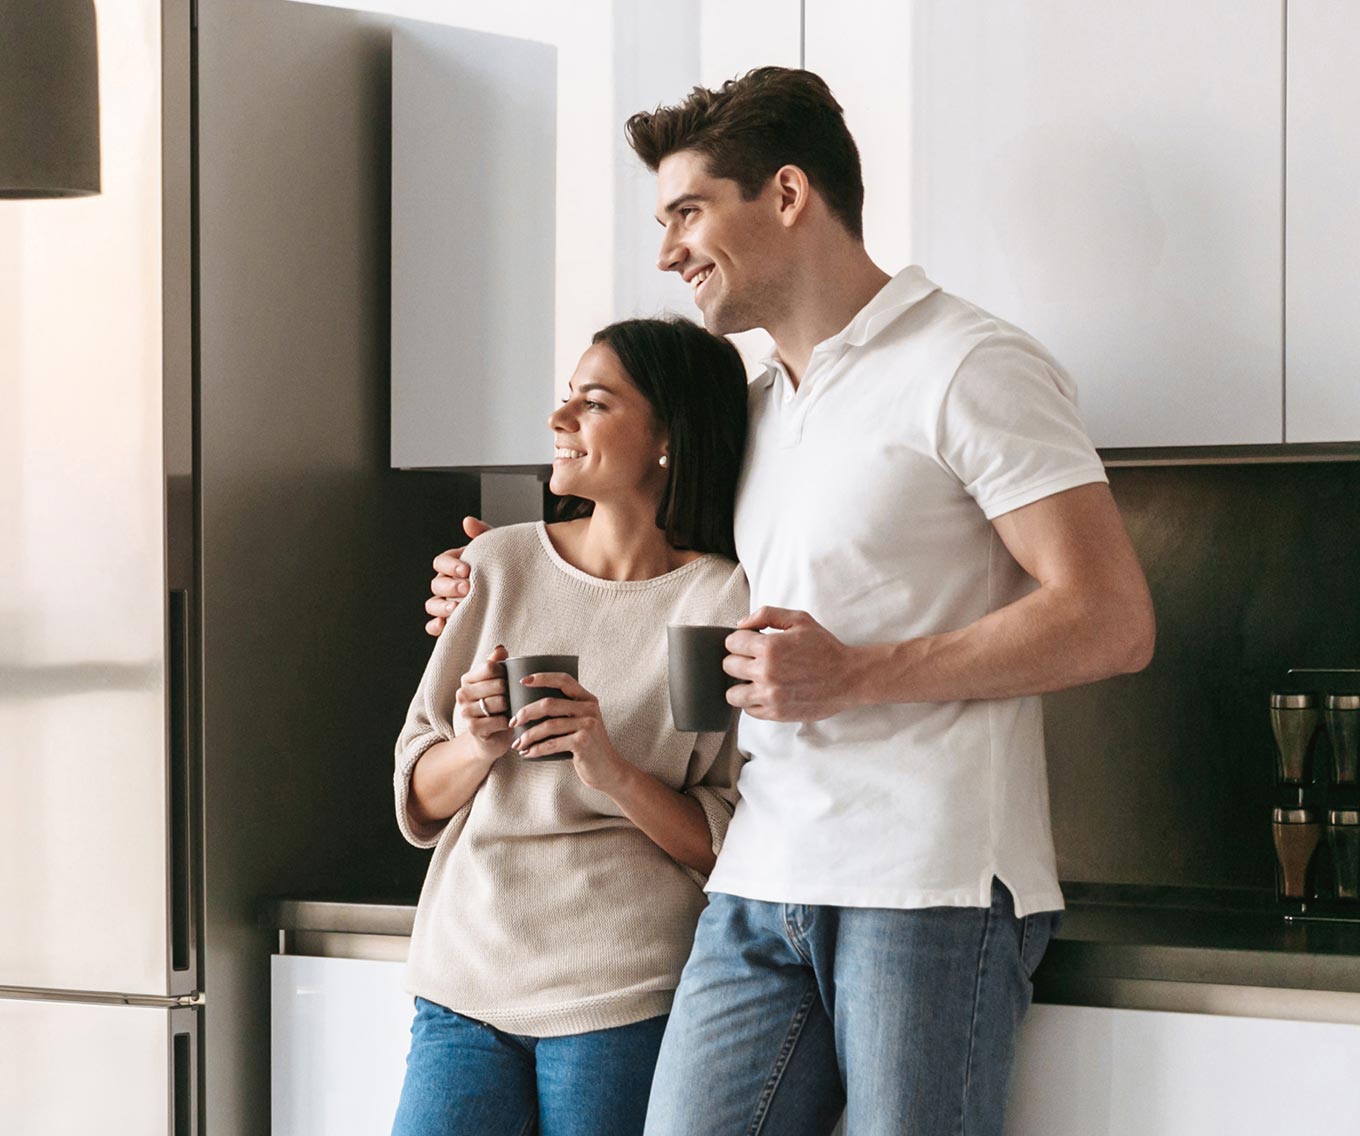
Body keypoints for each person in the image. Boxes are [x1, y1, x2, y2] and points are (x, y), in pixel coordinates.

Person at [425, 68, 1155, 1135]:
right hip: (760, 872)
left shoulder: (969, 365)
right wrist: (503, 568)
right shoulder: (755, 410)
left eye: (687, 210)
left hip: (928, 883)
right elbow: (646, 569)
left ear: (785, 193)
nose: (668, 249)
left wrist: (858, 672)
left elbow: (1109, 615)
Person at [390, 316, 750, 1136]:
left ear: (669, 438)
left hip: (620, 996)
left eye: (593, 404)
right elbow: (417, 788)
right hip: (463, 982)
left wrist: (613, 768)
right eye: (566, 401)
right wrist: (476, 747)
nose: (559, 422)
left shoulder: (718, 605)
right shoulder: (494, 567)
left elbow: (724, 838)